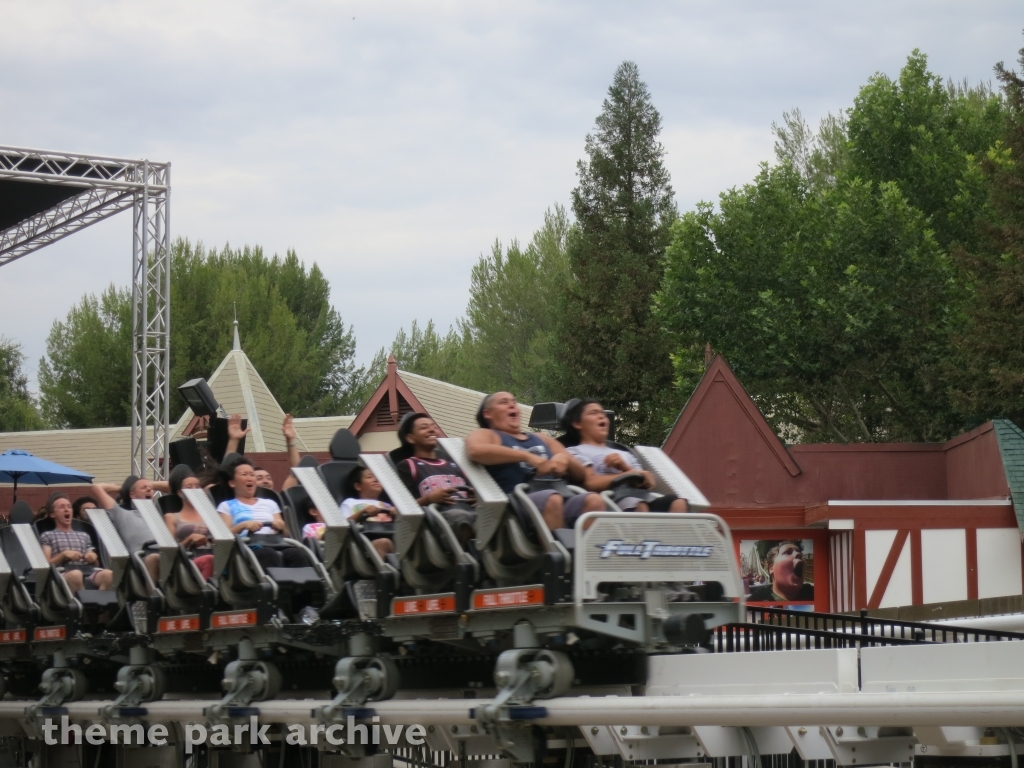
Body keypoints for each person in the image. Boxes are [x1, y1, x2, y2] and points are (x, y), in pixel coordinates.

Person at [465, 391, 604, 531]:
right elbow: (475, 451)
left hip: (558, 495)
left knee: (594, 500)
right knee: (552, 499)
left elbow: (581, 474)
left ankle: (587, 551)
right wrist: (527, 456)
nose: (512, 405)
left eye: (514, 402)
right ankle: (561, 551)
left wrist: (565, 458)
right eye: (504, 402)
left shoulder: (541, 438)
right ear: (488, 413)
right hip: (515, 505)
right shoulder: (487, 434)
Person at [562, 399, 689, 512]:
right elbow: (590, 483)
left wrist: (624, 467)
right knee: (639, 506)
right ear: (577, 423)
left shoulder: (625, 452)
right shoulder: (574, 451)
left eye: (603, 413)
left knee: (678, 503)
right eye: (593, 413)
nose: (601, 416)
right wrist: (625, 475)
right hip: (609, 503)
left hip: (639, 498)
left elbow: (647, 481)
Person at [394, 412, 476, 543]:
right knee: (460, 517)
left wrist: (478, 497)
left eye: (433, 426)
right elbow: (402, 508)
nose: (431, 429)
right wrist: (429, 499)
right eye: (424, 427)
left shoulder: (455, 464)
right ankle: (461, 559)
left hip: (469, 511)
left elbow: (474, 490)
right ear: (411, 438)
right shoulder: (407, 466)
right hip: (438, 518)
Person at [215, 458, 308, 570]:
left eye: (252, 475)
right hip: (247, 546)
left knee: (297, 553)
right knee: (268, 553)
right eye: (244, 474)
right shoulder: (226, 506)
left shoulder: (270, 503)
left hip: (275, 543)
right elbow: (223, 537)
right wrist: (243, 525)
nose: (250, 478)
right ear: (232, 483)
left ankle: (305, 586)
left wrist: (281, 526)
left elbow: (286, 534)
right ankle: (270, 585)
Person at [39, 493, 113, 593]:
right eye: (62, 507)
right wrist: (63, 555)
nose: (66, 509)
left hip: (87, 571)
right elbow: (46, 564)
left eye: (69, 507)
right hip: (62, 572)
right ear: (53, 514)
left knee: (109, 574)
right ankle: (83, 605)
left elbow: (96, 564)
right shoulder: (48, 535)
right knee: (76, 575)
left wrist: (93, 557)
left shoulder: (84, 535)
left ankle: (101, 603)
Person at [91, 481, 162, 585]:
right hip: (142, 559)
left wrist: (150, 484)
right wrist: (122, 488)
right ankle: (152, 598)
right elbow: (96, 488)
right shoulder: (123, 514)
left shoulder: (158, 513)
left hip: (166, 554)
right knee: (154, 558)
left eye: (151, 489)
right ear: (132, 494)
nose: (148, 489)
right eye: (143, 488)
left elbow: (178, 487)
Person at [163, 465, 215, 580]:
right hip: (188, 559)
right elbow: (169, 551)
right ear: (180, 493)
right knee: (208, 560)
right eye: (189, 487)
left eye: (197, 486)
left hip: (214, 554)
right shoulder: (172, 517)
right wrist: (190, 538)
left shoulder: (211, 515)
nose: (194, 490)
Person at [340, 467, 396, 559]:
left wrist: (398, 515)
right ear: (358, 486)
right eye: (369, 477)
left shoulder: (387, 505)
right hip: (364, 542)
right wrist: (363, 511)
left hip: (392, 536)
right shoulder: (350, 503)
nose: (376, 479)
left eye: (377, 477)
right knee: (383, 543)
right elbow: (342, 526)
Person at [747, 540, 814, 602]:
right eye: (788, 552)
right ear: (771, 568)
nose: (799, 554)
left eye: (800, 554)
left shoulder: (811, 591)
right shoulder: (759, 597)